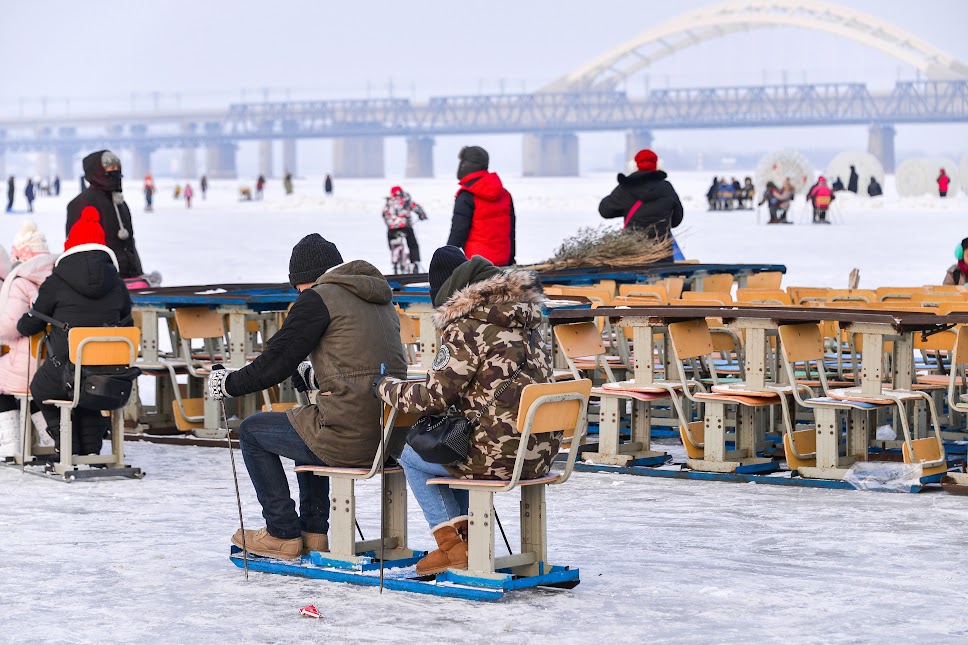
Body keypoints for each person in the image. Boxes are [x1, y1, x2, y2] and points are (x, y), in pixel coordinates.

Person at [208, 235, 408, 560]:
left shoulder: (318, 297)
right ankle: (313, 533)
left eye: (297, 289)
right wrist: (315, 375)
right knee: (304, 424)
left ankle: (281, 534)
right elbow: (365, 365)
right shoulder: (378, 299)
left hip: (351, 438)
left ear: (303, 280)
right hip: (389, 436)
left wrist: (229, 384)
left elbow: (276, 361)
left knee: (252, 431)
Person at [373, 246, 553, 575]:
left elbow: (432, 398)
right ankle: (467, 542)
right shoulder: (531, 325)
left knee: (411, 455)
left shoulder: (468, 327)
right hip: (539, 453)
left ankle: (453, 547)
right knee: (454, 446)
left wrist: (384, 386)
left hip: (498, 458)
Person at [17, 208, 132, 456]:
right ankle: (90, 450)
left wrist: (23, 323)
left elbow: (31, 324)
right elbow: (127, 321)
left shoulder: (56, 281)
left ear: (70, 246)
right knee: (88, 389)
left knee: (41, 388)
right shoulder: (118, 283)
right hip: (110, 372)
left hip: (66, 367)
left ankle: (67, 445)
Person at [0, 222, 57, 457]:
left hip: (27, 363)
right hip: (54, 361)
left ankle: (11, 444)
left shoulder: (21, 282)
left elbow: (11, 325)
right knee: (33, 389)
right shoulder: (58, 277)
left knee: (3, 382)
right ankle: (51, 437)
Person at [66, 150, 144, 280]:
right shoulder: (82, 203)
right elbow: (78, 248)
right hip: (102, 279)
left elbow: (130, 243)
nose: (115, 172)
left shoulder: (120, 203)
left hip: (130, 276)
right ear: (97, 171)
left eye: (117, 167)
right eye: (110, 168)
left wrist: (138, 272)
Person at [599, 149, 684, 261]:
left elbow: (605, 211)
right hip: (662, 255)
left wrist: (624, 206)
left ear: (634, 166)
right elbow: (677, 219)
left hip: (633, 254)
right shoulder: (666, 188)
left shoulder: (626, 188)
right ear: (658, 166)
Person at [446, 146, 516, 266]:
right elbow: (511, 232)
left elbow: (458, 233)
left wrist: (446, 259)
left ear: (464, 165)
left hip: (477, 264)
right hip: (503, 262)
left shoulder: (466, 195)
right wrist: (510, 260)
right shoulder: (505, 194)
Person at [382, 185, 427, 271]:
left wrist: (389, 223)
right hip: (406, 226)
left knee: (391, 240)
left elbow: (384, 213)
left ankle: (394, 255)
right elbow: (417, 208)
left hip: (392, 228)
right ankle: (415, 262)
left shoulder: (389, 201)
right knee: (413, 244)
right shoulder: (406, 199)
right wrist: (422, 215)